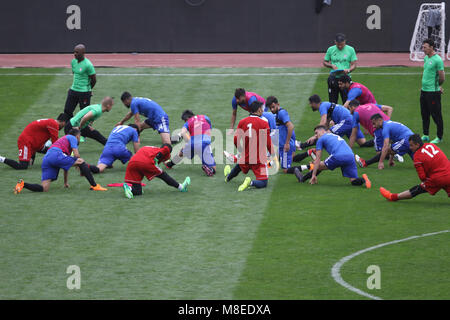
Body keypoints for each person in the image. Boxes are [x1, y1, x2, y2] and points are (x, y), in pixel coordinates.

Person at [13, 128, 107, 194]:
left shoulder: (64, 143)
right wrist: (80, 165)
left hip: (47, 158)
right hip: (56, 154)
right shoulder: (72, 137)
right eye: (79, 136)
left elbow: (65, 165)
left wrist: (65, 182)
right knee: (81, 161)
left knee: (44, 188)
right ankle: (94, 186)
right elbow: (77, 155)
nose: (79, 138)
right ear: (77, 136)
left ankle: (23, 184)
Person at [294, 125, 371, 188]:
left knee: (319, 165)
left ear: (322, 131)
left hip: (338, 156)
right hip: (350, 156)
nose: (316, 135)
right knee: (354, 181)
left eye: (316, 133)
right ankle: (364, 180)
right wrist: (315, 137)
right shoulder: (333, 135)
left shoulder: (321, 140)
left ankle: (303, 178)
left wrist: (314, 174)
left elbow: (318, 159)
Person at [380, 134, 450, 201]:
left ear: (417, 144)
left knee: (417, 189)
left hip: (438, 178)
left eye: (411, 145)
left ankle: (392, 197)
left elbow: (422, 177)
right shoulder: (431, 145)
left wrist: (426, 182)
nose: (410, 147)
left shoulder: (417, 156)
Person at [224, 101, 275, 191]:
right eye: (262, 109)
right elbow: (268, 142)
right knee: (263, 182)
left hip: (246, 156)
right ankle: (250, 182)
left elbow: (235, 139)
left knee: (240, 165)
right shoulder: (263, 123)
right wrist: (273, 155)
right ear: (259, 110)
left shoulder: (242, 121)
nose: (263, 111)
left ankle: (228, 178)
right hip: (259, 159)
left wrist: (241, 151)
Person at [1, 113, 69, 170]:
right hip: (26, 142)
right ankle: (1, 159)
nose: (63, 127)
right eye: (64, 124)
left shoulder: (51, 122)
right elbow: (55, 143)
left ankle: (31, 160)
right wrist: (64, 154)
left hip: (34, 143)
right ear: (63, 122)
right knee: (22, 166)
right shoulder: (54, 124)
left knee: (48, 150)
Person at [122, 144, 191, 199]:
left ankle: (129, 188)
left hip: (132, 162)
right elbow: (166, 149)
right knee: (163, 175)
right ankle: (181, 187)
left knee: (138, 191)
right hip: (146, 162)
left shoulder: (148, 147)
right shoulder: (163, 150)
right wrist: (156, 159)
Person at [306, 94, 373, 147]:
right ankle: (378, 141)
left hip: (346, 121)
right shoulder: (326, 105)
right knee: (362, 143)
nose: (310, 105)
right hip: (352, 121)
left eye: (310, 103)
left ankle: (304, 145)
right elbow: (326, 123)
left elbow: (322, 123)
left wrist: (315, 136)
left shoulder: (322, 106)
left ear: (314, 103)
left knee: (327, 134)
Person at [165, 110, 216, 176]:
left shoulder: (188, 122)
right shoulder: (205, 117)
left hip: (193, 143)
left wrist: (188, 142)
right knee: (214, 168)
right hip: (205, 143)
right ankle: (210, 169)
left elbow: (183, 132)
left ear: (186, 119)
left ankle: (169, 164)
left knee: (181, 153)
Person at [266, 96, 308, 173]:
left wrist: (287, 143)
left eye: (273, 107)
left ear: (278, 104)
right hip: (281, 146)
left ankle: (309, 166)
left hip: (285, 147)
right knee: (271, 163)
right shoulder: (277, 113)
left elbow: (291, 126)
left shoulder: (282, 113)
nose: (271, 110)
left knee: (285, 170)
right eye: (270, 108)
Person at [420, 38, 445, 144]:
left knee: (436, 115)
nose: (423, 49)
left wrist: (437, 86)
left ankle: (439, 137)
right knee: (424, 114)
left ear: (431, 47)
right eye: (423, 47)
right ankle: (426, 134)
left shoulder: (438, 60)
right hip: (424, 91)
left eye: (425, 47)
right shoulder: (426, 58)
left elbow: (442, 77)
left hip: (433, 93)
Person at [64, 44, 97, 118]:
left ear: (83, 53)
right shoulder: (73, 62)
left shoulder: (88, 65)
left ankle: (82, 128)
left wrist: (89, 89)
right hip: (73, 90)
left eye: (77, 52)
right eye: (74, 52)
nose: (75, 54)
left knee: (84, 114)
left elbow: (94, 80)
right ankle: (71, 127)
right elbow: (75, 75)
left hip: (84, 93)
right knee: (67, 111)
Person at [323, 33, 358, 104]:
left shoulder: (350, 49)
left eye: (342, 44)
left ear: (345, 41)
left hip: (345, 79)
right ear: (335, 42)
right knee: (332, 102)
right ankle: (333, 115)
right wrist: (331, 65)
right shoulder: (331, 49)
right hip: (333, 78)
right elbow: (325, 62)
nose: (340, 46)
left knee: (347, 102)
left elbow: (354, 64)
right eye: (338, 44)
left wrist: (349, 70)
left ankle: (346, 115)